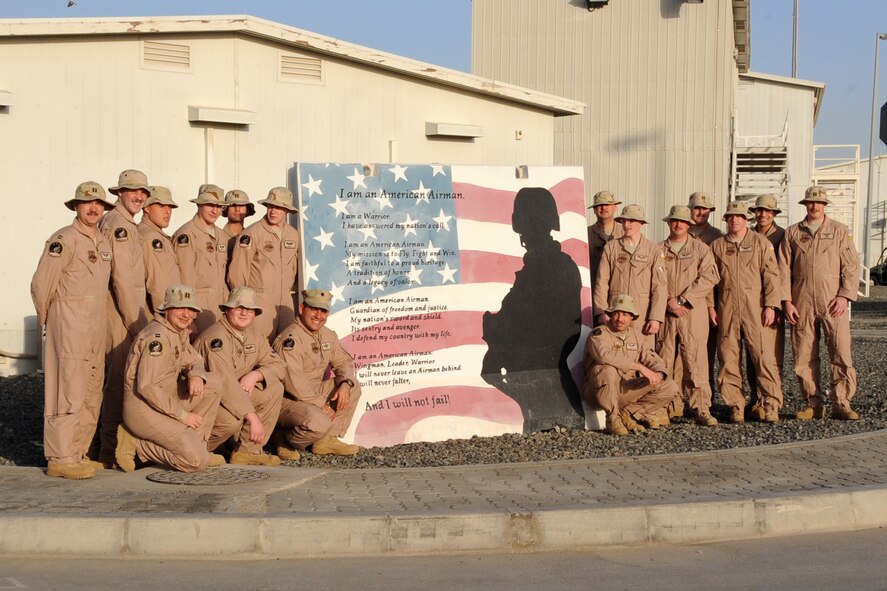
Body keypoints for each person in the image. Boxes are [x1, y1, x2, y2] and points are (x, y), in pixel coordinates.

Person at [481, 186, 583, 432]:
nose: (526, 233)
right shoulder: (538, 267)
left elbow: (553, 322)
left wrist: (503, 335)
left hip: (542, 364)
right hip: (534, 362)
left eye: (529, 225)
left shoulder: (554, 266)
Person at [31, 181, 114, 479]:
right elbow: (42, 284)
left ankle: (78, 451)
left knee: (91, 387)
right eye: (87, 203)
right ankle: (60, 456)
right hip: (68, 321)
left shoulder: (102, 242)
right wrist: (48, 322)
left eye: (99, 204)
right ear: (76, 206)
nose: (93, 208)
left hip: (95, 323)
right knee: (66, 388)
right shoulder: (63, 239)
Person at [116, 285, 225, 473]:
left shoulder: (177, 332)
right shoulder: (157, 339)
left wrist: (196, 374)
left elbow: (195, 360)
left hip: (165, 402)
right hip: (144, 409)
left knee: (212, 383)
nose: (186, 314)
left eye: (191, 309)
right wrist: (183, 416)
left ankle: (198, 446)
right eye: (180, 308)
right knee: (197, 463)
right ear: (166, 309)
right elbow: (147, 387)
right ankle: (136, 444)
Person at [779, 186, 861, 420]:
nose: (813, 206)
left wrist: (844, 296)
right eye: (810, 203)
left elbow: (851, 267)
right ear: (805, 205)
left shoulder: (839, 231)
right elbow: (783, 269)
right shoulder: (793, 232)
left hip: (832, 301)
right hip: (801, 301)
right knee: (803, 355)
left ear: (825, 205)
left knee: (840, 351)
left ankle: (842, 402)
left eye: (818, 202)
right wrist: (786, 300)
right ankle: (812, 403)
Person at [709, 201, 783, 423]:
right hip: (727, 308)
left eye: (739, 216)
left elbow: (771, 276)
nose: (734, 220)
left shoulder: (760, 243)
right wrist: (710, 307)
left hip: (756, 309)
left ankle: (770, 404)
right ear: (726, 219)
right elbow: (709, 279)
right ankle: (736, 405)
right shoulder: (717, 246)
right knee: (729, 359)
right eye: (730, 216)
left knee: (763, 358)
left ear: (746, 219)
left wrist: (771, 305)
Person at [195, 287, 285, 465]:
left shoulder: (253, 335)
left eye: (249, 309)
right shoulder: (216, 338)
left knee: (274, 388)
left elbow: (279, 366)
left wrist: (257, 374)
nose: (244, 313)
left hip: (233, 396)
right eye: (239, 307)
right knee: (231, 421)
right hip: (207, 401)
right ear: (227, 309)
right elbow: (226, 383)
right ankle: (197, 449)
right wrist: (252, 418)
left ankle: (247, 452)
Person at [98, 169, 152, 467]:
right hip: (120, 314)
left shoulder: (125, 223)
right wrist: (136, 325)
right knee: (118, 381)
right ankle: (107, 451)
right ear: (120, 193)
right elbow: (123, 279)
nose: (139, 196)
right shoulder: (119, 225)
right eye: (133, 191)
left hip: (124, 310)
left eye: (143, 193)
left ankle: (106, 448)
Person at [272, 290, 361, 456]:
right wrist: (322, 405)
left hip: (312, 396)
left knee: (352, 386)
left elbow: (343, 362)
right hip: (287, 400)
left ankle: (326, 440)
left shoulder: (327, 335)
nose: (318, 316)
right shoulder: (290, 340)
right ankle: (281, 437)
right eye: (313, 309)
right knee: (319, 422)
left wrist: (344, 384)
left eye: (323, 311)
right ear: (301, 309)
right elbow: (295, 384)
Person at [655, 205, 720, 426]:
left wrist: (683, 300)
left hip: (692, 313)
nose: (678, 224)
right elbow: (651, 281)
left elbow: (710, 277)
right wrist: (668, 302)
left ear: (688, 224)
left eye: (682, 221)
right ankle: (667, 407)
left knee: (696, 361)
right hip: (666, 314)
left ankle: (702, 408)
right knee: (665, 361)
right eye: (674, 220)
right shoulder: (658, 250)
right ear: (668, 222)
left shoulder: (701, 249)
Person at [583, 294, 677, 435]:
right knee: (606, 369)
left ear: (632, 317)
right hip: (599, 392)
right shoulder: (599, 333)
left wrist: (658, 373)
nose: (620, 319)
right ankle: (613, 419)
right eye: (617, 314)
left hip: (624, 389)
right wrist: (640, 367)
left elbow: (652, 358)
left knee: (669, 386)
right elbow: (604, 355)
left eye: (625, 314)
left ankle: (628, 414)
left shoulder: (637, 336)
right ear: (611, 314)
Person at [228, 187, 300, 341]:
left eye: (279, 207)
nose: (273, 211)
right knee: (257, 346)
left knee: (285, 347)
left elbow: (294, 268)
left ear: (287, 210)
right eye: (270, 206)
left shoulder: (293, 235)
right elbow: (237, 274)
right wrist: (244, 307)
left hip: (285, 303)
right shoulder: (251, 233)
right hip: (259, 302)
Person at [593, 204, 666, 349]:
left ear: (641, 223)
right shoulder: (611, 248)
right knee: (616, 351)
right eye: (624, 221)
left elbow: (660, 287)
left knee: (643, 352)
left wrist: (655, 318)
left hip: (642, 313)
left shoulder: (654, 250)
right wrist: (601, 311)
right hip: (615, 312)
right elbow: (602, 282)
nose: (627, 224)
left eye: (631, 221)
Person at [746, 194, 787, 419]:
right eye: (759, 211)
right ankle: (756, 399)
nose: (763, 215)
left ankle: (772, 400)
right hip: (751, 302)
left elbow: (785, 272)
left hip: (772, 302)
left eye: (768, 211)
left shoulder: (782, 236)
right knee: (752, 354)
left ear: (774, 214)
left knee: (771, 355)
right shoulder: (748, 236)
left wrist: (778, 304)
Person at [172, 188, 229, 334]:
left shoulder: (222, 236)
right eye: (210, 205)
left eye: (219, 207)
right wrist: (190, 318)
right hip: (199, 306)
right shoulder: (187, 235)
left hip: (219, 307)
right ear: (199, 205)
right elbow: (184, 280)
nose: (215, 211)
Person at [139, 186, 182, 315]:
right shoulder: (151, 238)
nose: (167, 212)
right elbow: (157, 283)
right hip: (163, 312)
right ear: (146, 208)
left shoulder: (156, 235)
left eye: (170, 207)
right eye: (161, 206)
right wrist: (167, 315)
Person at [587, 190, 624, 307]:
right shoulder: (586, 234)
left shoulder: (625, 233)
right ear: (594, 210)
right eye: (599, 205)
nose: (603, 208)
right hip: (594, 294)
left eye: (607, 204)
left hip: (620, 294)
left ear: (615, 207)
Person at [221, 189, 256, 265]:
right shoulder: (218, 237)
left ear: (247, 210)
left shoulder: (253, 236)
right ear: (226, 209)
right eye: (233, 205)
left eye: (241, 205)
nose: (237, 209)